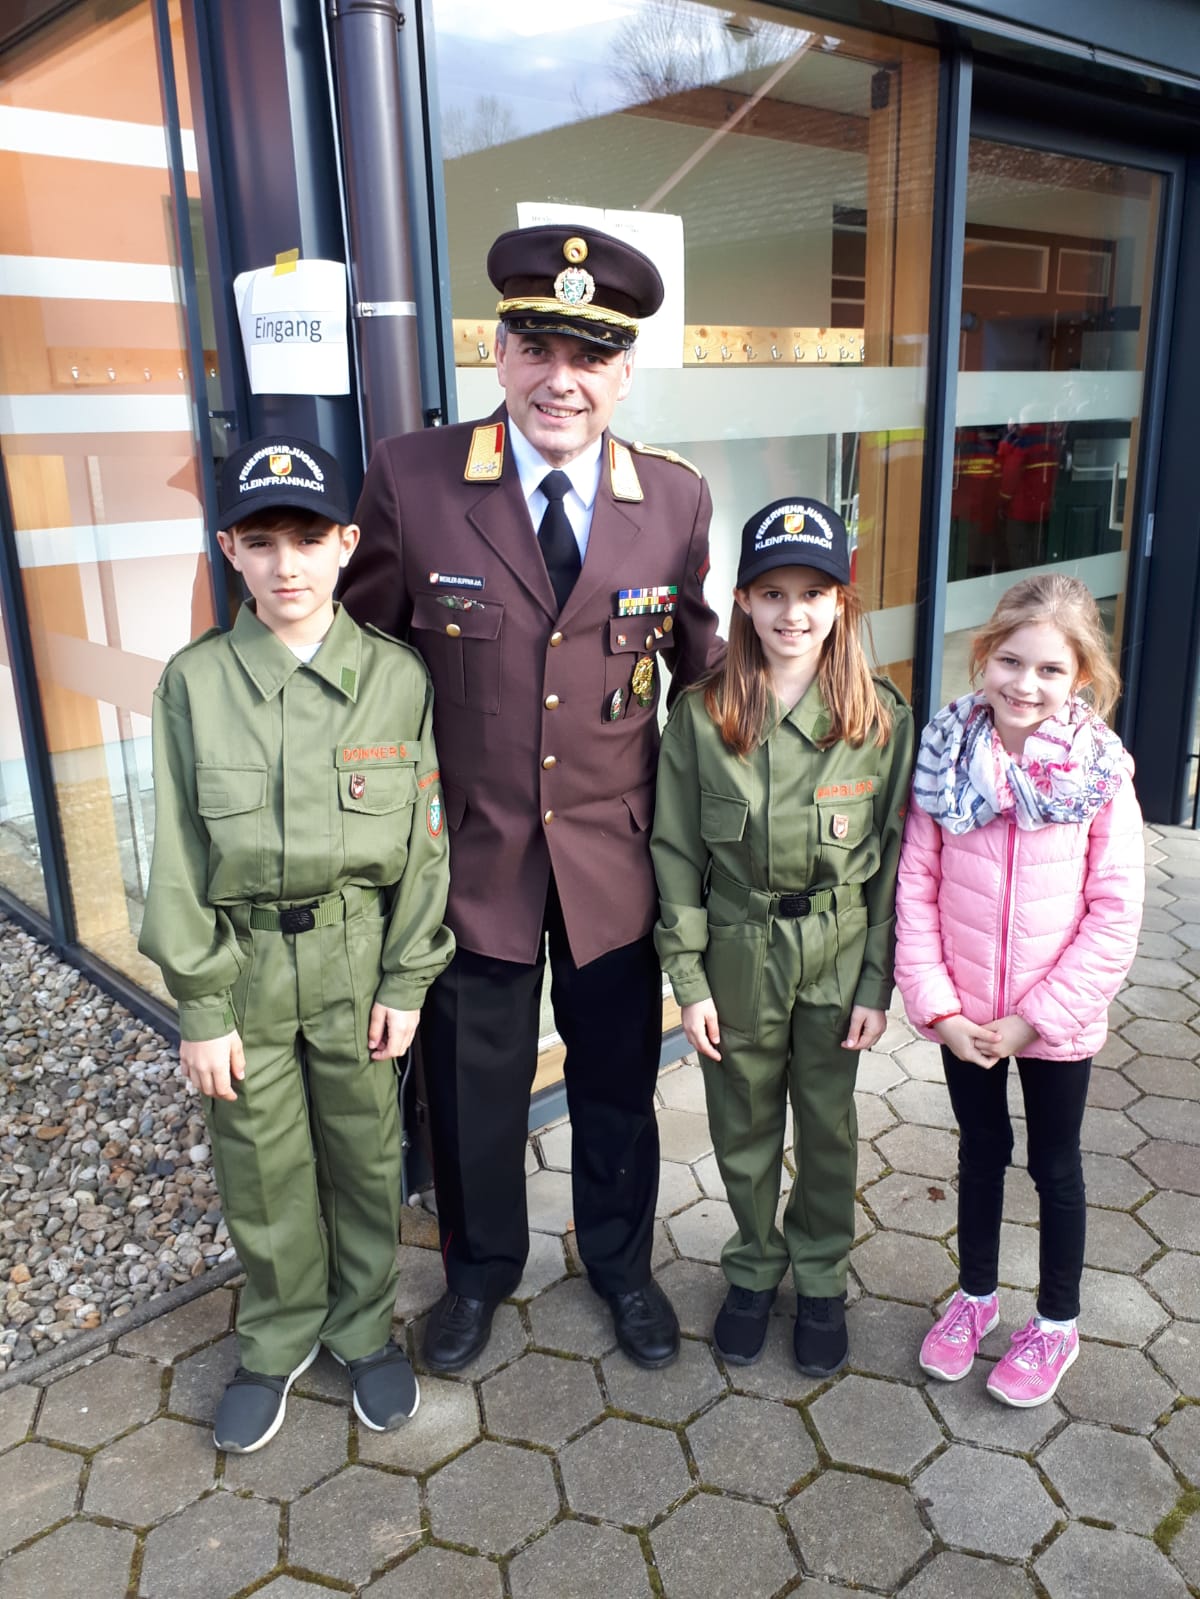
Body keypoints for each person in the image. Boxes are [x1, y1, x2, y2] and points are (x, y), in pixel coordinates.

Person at [339, 224, 723, 1372]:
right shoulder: (414, 479)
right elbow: (361, 668)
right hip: (471, 859)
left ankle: (622, 1266)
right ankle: (477, 1276)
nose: (563, 379)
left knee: (616, 1085)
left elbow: (708, 685)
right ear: (499, 353)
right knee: (474, 1093)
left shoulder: (675, 498)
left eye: (591, 354)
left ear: (624, 371)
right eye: (540, 348)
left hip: (615, 859)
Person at [139, 435, 454, 1452]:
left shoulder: (395, 679)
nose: (288, 565)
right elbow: (178, 853)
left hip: (358, 961)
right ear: (230, 549)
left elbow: (425, 848)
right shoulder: (195, 684)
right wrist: (200, 1005)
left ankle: (362, 1328)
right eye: (263, 541)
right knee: (262, 1165)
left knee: (364, 1156)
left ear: (347, 545)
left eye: (310, 539)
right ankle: (277, 1337)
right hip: (246, 967)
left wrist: (406, 979)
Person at [651, 497, 913, 1374]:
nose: (792, 613)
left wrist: (876, 982)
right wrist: (689, 982)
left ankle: (823, 1273)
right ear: (742, 600)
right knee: (744, 1118)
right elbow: (676, 852)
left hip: (838, 947)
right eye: (772, 593)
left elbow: (893, 864)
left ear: (841, 600)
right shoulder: (703, 715)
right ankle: (755, 1265)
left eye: (812, 593)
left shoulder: (878, 717)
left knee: (829, 1125)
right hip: (740, 947)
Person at [895, 573, 1144, 1406]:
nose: (1025, 684)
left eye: (1049, 669)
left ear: (1082, 677)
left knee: (1055, 1163)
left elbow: (1114, 912)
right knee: (980, 1150)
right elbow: (916, 886)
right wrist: (939, 1008)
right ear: (984, 654)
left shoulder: (1100, 774)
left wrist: (1034, 1020)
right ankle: (975, 1296)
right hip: (966, 1014)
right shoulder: (944, 756)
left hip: (1054, 1021)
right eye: (1010, 660)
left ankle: (1057, 1321)